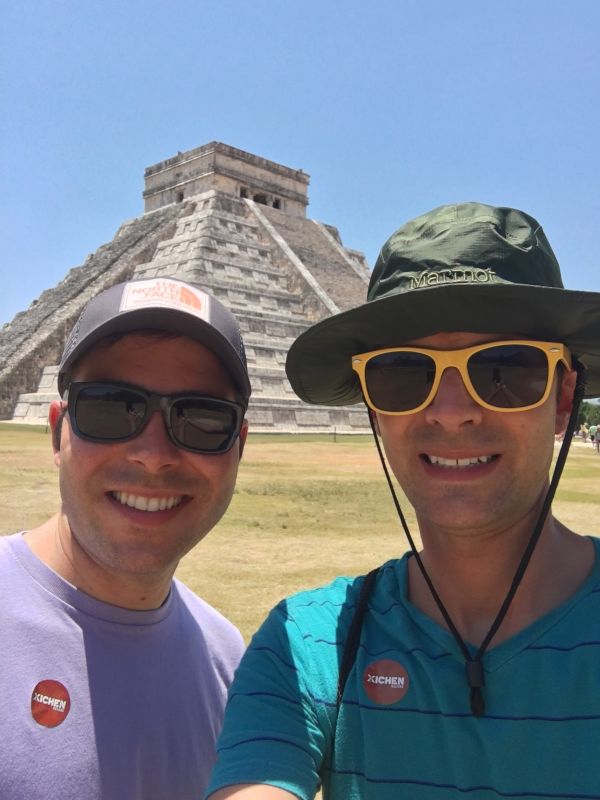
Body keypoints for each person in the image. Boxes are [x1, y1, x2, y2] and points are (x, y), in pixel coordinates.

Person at [205, 203, 600, 800]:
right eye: (402, 375)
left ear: (563, 398)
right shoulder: (308, 646)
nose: (451, 412)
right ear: (373, 408)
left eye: (504, 368)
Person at [0, 277, 249, 800]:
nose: (152, 454)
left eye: (202, 418)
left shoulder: (229, 662)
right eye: (110, 408)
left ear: (239, 448)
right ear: (57, 432)